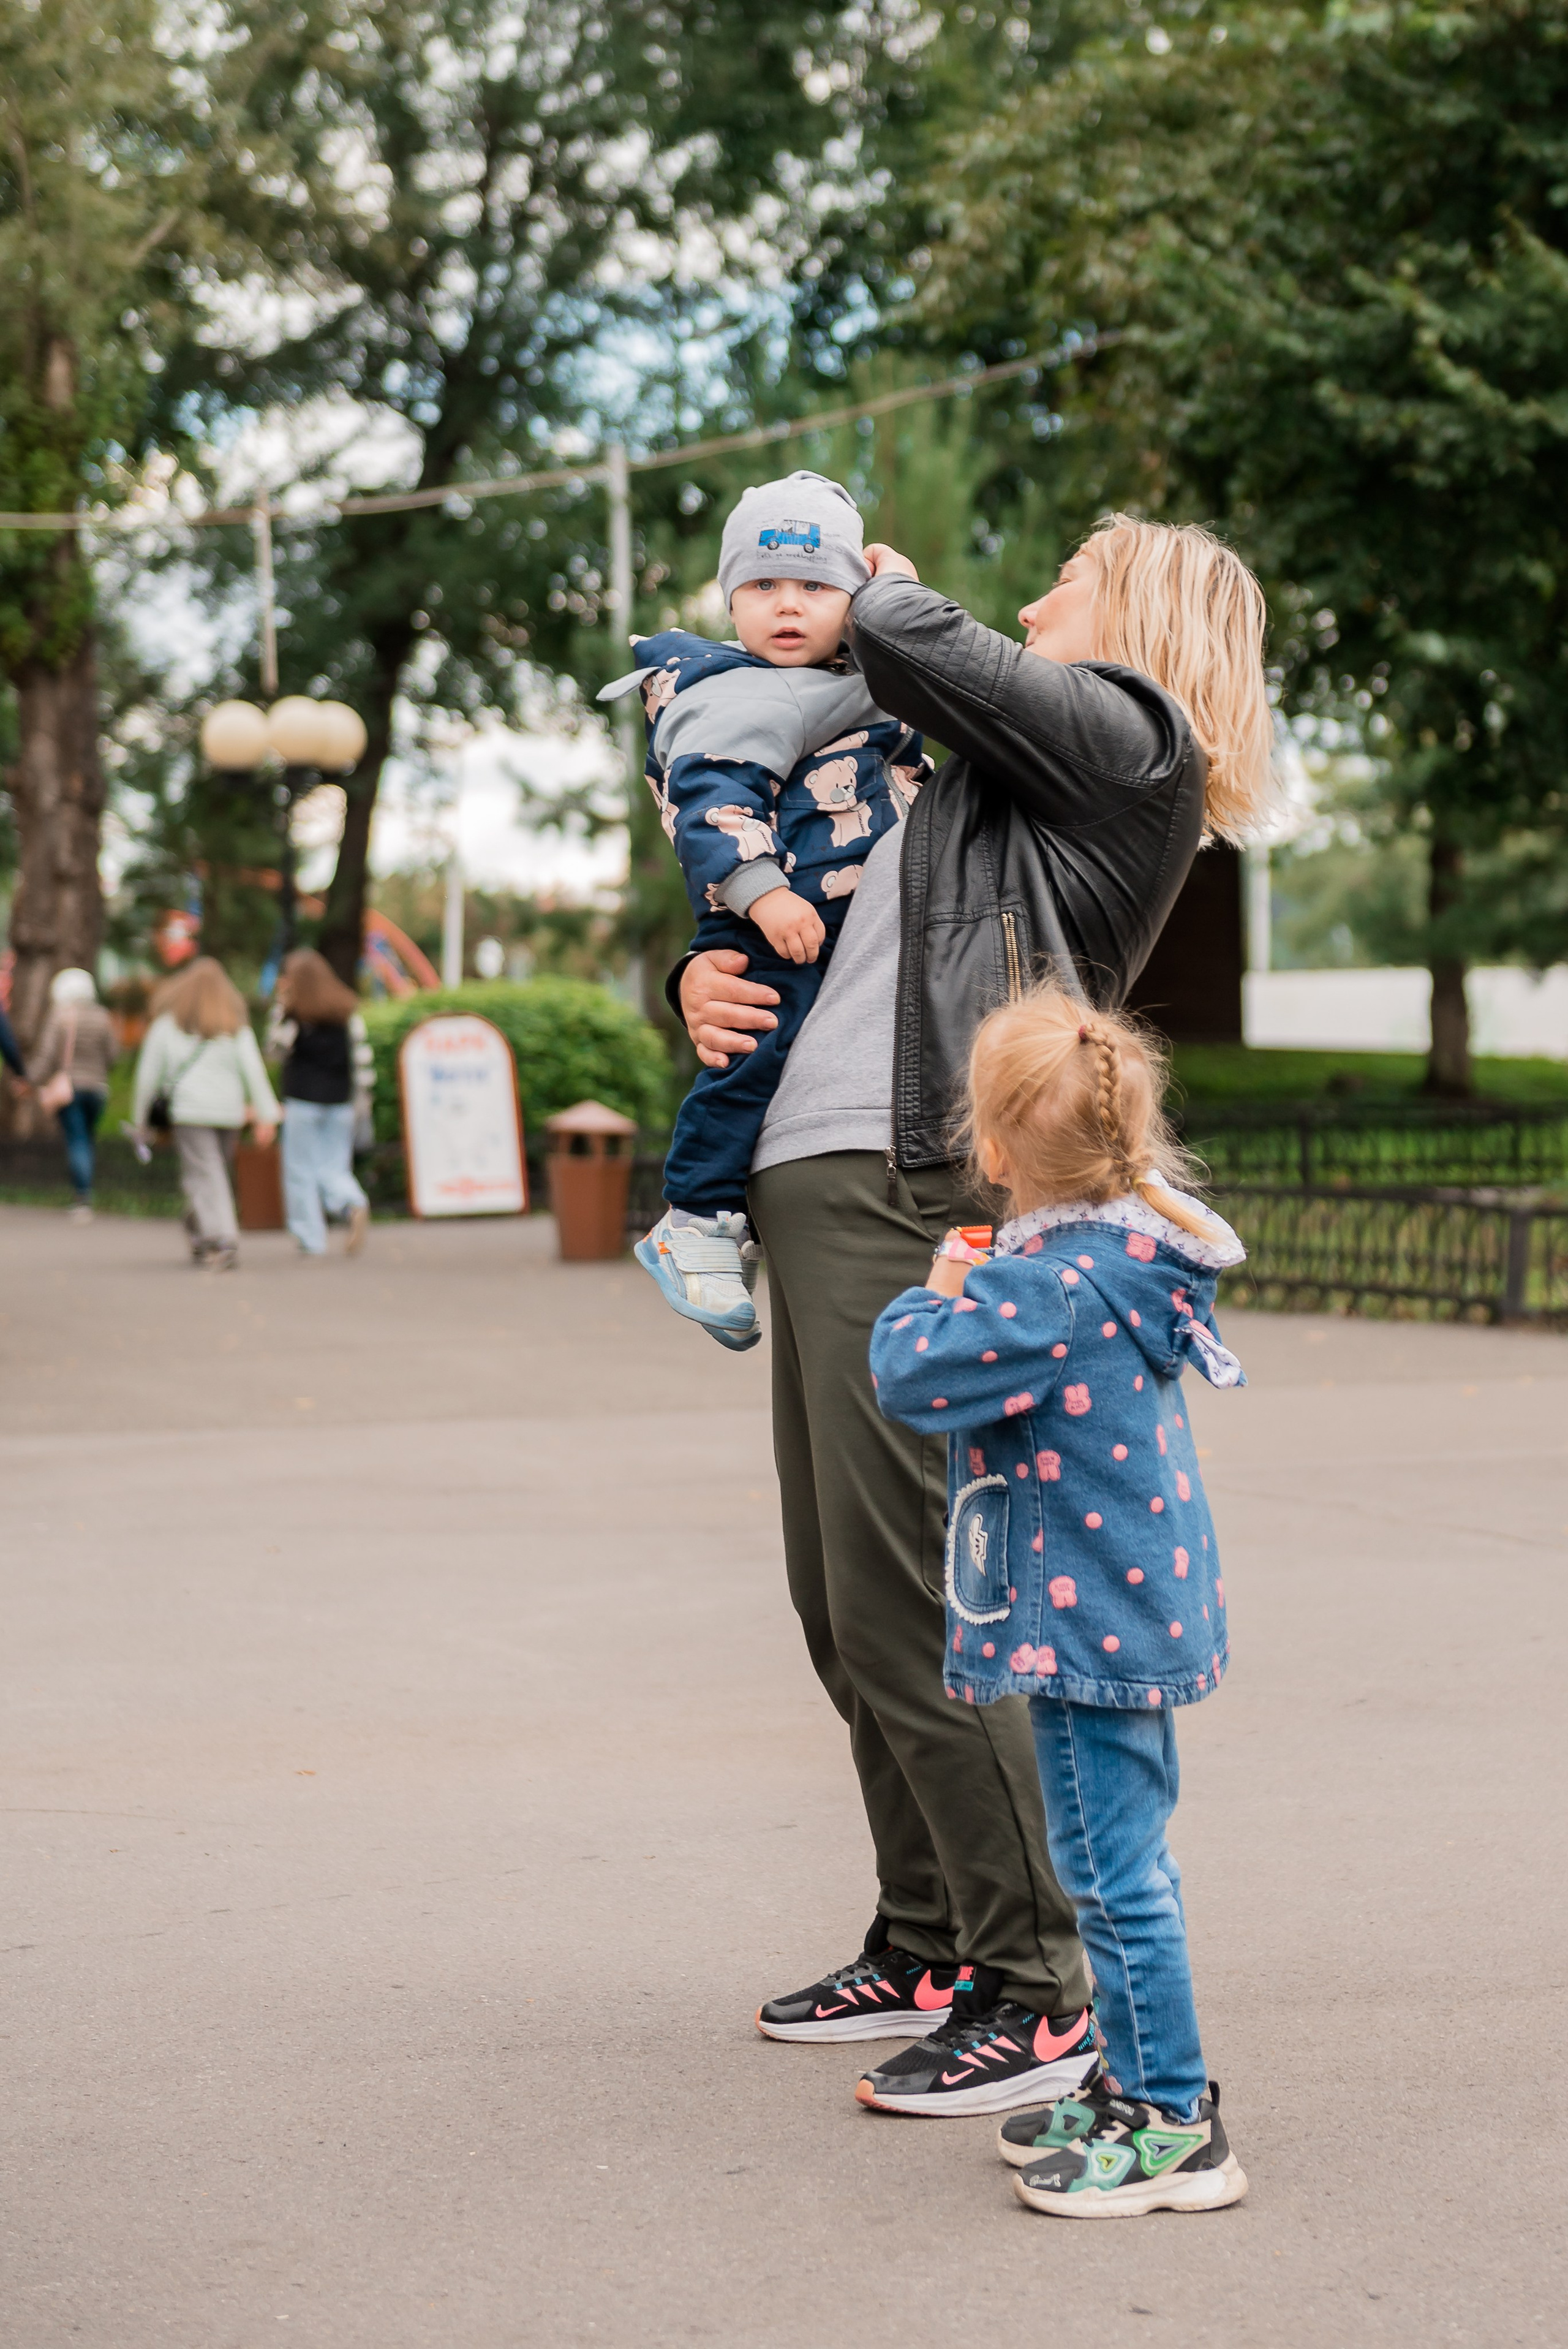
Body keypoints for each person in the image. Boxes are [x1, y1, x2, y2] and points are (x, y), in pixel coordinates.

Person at [671, 515, 1276, 2117]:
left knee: (908, 1601)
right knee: (837, 1600)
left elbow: (912, 639)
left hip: (904, 1180)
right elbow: (838, 926)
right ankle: (931, 1936)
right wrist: (701, 981)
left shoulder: (1133, 741)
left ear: (1138, 608)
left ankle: (1037, 1982)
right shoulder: (979, 774)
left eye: (1068, 572)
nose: (1033, 595)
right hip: (817, 1170)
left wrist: (867, 575)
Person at [870, 986, 1249, 2214]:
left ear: (992, 1150)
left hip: (1082, 1624)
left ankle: (1171, 2121)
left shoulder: (1042, 1291)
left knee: (1108, 1870)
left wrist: (939, 1278)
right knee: (1123, 1860)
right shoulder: (1127, 1256)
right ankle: (1134, 2079)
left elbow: (907, 1372)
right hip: (1131, 1604)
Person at [601, 471, 927, 1352]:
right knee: (754, 1057)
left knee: (784, 1065)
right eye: (763, 586)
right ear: (731, 601)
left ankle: (726, 1223)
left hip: (831, 924)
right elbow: (710, 803)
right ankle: (696, 1215)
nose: (788, 605)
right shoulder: (734, 691)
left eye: (817, 586)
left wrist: (903, 603)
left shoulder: (852, 682)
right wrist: (763, 892)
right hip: (770, 917)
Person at [132, 957, 277, 1271]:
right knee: (211, 1173)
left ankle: (213, 1235)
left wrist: (140, 1120)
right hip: (228, 1113)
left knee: (205, 1174)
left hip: (190, 1112)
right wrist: (266, 1113)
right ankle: (215, 1235)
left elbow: (147, 1076)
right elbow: (254, 1071)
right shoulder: (234, 1026)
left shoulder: (168, 1025)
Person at [268, 948, 372, 1258]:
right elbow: (361, 1060)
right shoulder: (347, 1014)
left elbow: (275, 1050)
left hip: (303, 1100)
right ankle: (351, 1202)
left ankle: (310, 1238)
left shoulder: (293, 1015)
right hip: (340, 1101)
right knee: (334, 1164)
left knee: (300, 1170)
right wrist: (363, 1099)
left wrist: (280, 1007)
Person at [29, 967, 117, 1222]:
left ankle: (82, 1196)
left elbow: (46, 1056)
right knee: (87, 1138)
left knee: (77, 1140)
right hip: (98, 1089)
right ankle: (85, 1189)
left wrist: (28, 1079)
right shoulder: (103, 1017)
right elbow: (113, 1055)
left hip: (69, 1090)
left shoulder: (60, 1016)